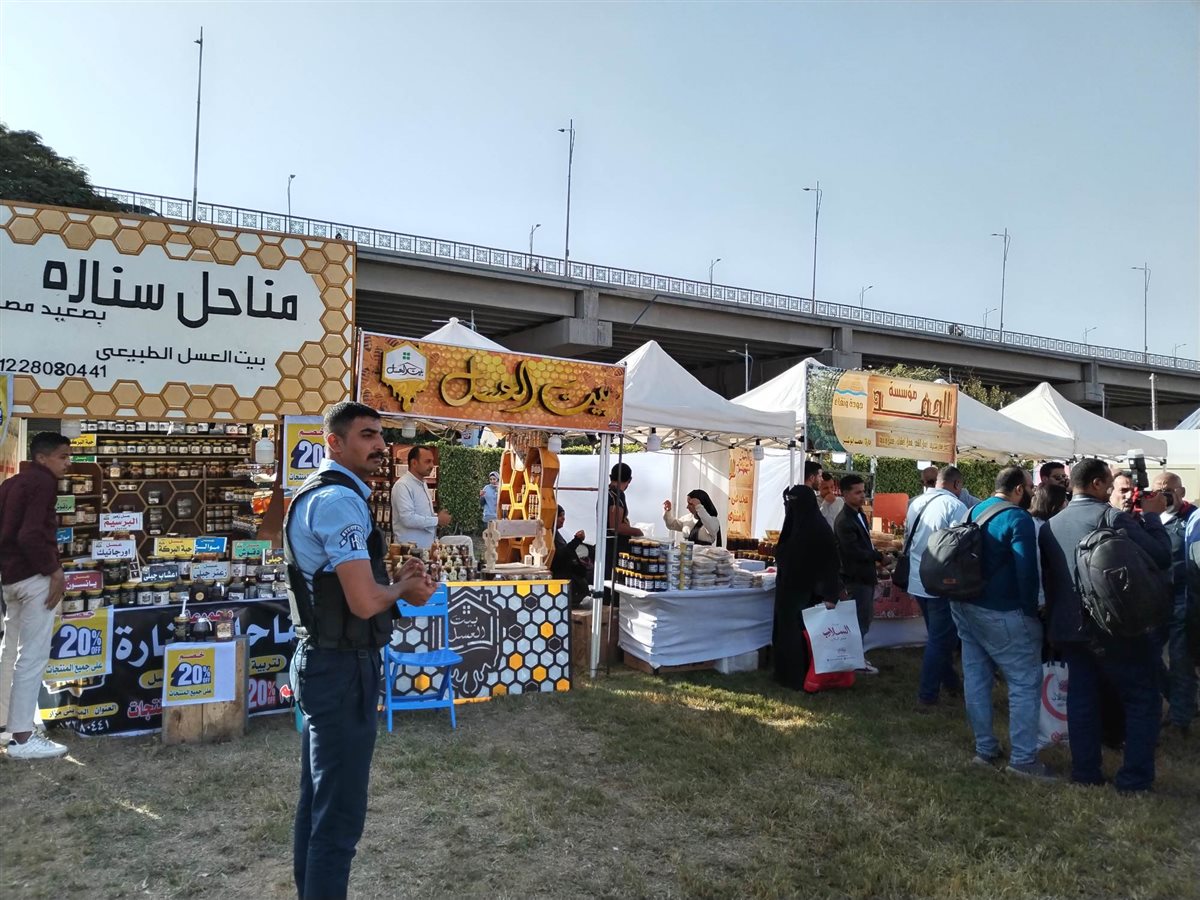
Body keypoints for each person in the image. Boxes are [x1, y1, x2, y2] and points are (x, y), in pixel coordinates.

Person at [286, 401, 437, 899]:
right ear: (334, 442)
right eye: (367, 435)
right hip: (340, 669)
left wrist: (394, 581)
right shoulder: (338, 501)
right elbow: (365, 601)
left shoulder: (324, 493)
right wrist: (402, 590)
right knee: (339, 817)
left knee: (319, 803)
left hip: (327, 661)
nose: (380, 446)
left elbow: (352, 589)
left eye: (381, 436)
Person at [1040, 459, 1171, 791]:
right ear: (1097, 484)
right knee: (1142, 698)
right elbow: (1160, 556)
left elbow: (1051, 581)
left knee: (1082, 698)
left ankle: (1085, 773)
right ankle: (1134, 779)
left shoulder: (1049, 526)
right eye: (1109, 484)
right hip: (1114, 626)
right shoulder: (1112, 518)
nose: (1112, 489)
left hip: (1070, 628)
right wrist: (1153, 516)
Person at [950, 466, 1052, 780]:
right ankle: (1023, 760)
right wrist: (1031, 611)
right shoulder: (1018, 518)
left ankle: (985, 749)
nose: (1033, 493)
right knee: (1024, 682)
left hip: (965, 605)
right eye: (1031, 488)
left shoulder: (973, 510)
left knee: (976, 678)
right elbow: (1027, 570)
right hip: (1002, 610)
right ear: (1019, 489)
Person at [0, 432, 72, 759]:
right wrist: (54, 570)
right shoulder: (43, 482)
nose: (68, 463)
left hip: (11, 578)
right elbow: (30, 534)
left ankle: (6, 724)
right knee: (32, 655)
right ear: (42, 458)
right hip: (34, 578)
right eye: (62, 456)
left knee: (9, 651)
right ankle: (23, 736)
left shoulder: (11, 484)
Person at [905, 465, 968, 707]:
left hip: (917, 578)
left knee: (937, 637)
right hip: (942, 581)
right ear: (956, 484)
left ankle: (951, 684)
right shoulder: (955, 506)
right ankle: (927, 695)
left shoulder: (915, 502)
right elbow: (960, 545)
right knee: (941, 640)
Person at [772, 485, 841, 690]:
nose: (792, 507)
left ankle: (804, 677)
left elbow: (830, 564)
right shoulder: (794, 525)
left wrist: (830, 594)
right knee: (788, 634)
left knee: (804, 636)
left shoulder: (819, 529)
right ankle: (787, 675)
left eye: (795, 502)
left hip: (809, 594)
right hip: (789, 592)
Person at [1149, 471, 1197, 736]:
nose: (1163, 496)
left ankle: (1181, 719)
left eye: (1168, 490)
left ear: (1181, 491)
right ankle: (1179, 700)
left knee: (1180, 661)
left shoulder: (1192, 519)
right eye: (1158, 490)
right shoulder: (1148, 519)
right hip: (1155, 600)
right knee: (1149, 657)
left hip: (1182, 599)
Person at [834, 474, 882, 674]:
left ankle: (856, 656)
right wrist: (878, 556)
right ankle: (855, 661)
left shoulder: (859, 515)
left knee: (864, 618)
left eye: (863, 491)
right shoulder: (844, 520)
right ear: (845, 494)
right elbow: (853, 552)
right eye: (857, 492)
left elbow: (865, 544)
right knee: (859, 620)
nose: (862, 496)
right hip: (855, 577)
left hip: (865, 575)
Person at [390, 445, 450, 551]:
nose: (432, 465)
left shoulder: (422, 483)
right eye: (427, 461)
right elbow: (407, 519)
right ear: (414, 463)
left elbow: (422, 515)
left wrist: (437, 519)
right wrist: (437, 520)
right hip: (408, 552)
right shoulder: (403, 485)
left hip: (424, 549)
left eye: (432, 461)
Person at [1029, 481, 1071, 611]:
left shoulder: (1038, 523)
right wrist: (1042, 599)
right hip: (1042, 599)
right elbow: (1038, 563)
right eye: (1064, 500)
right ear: (1055, 503)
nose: (1067, 504)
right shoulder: (1040, 528)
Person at [551, 506, 591, 607]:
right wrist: (576, 540)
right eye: (560, 516)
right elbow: (561, 555)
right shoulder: (549, 535)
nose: (563, 518)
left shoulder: (556, 534)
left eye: (563, 515)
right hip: (562, 581)